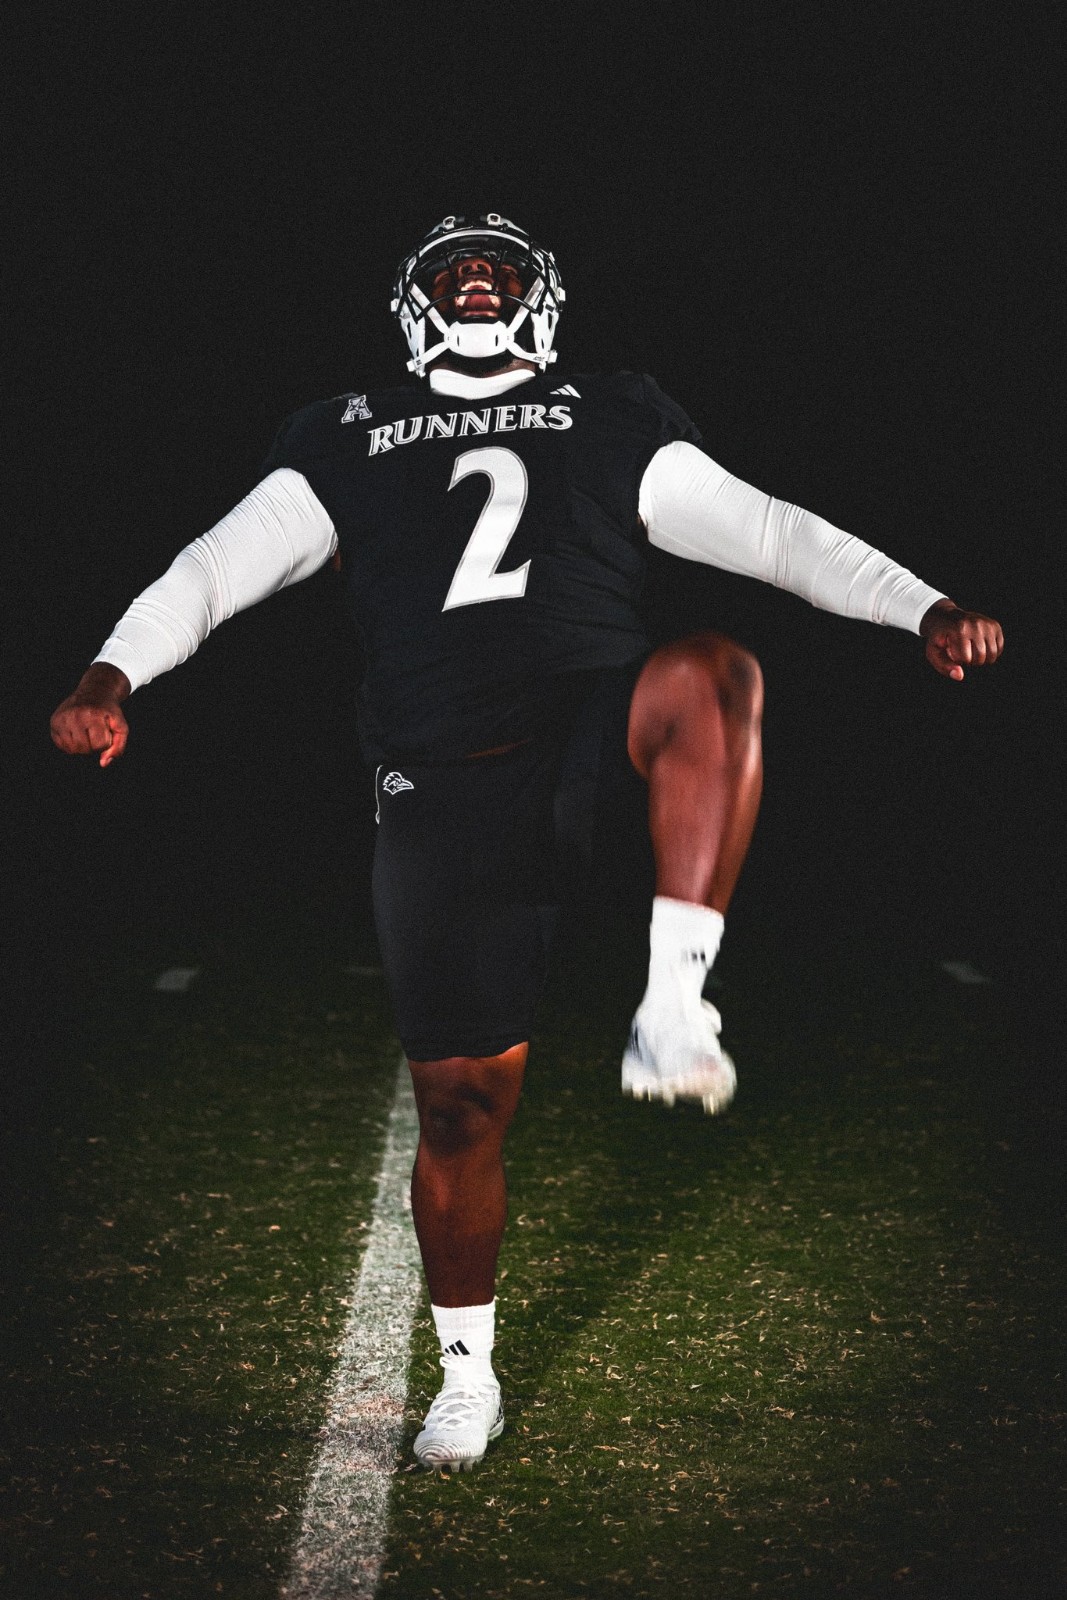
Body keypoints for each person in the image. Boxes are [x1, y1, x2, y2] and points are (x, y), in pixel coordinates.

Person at [51, 213, 1003, 1472]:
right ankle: (467, 1375)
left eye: (495, 263)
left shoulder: (606, 414)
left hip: (588, 734)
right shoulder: (344, 431)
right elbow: (214, 570)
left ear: (540, 294)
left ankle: (674, 1004)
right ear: (413, 302)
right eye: (451, 267)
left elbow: (772, 533)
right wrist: (113, 671)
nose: (475, 276)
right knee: (459, 1108)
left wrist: (918, 604)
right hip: (442, 781)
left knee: (710, 675)